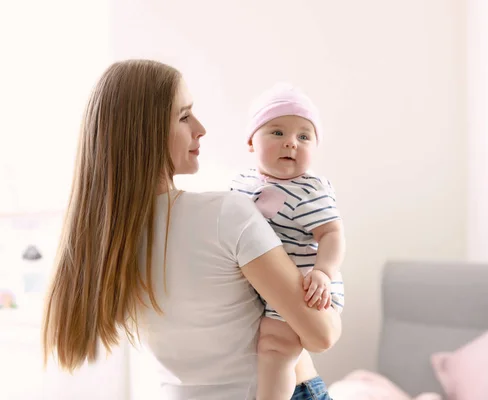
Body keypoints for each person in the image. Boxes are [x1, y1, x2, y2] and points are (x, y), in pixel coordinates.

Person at [41, 59, 342, 400]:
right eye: (184, 116)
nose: (200, 128)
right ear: (145, 131)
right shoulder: (227, 215)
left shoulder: (105, 239)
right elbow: (321, 335)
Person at [231, 83, 345, 399]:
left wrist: (323, 272)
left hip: (308, 284)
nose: (291, 143)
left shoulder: (310, 190)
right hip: (273, 286)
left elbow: (332, 234)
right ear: (251, 142)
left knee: (276, 345)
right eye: (278, 133)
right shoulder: (240, 183)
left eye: (304, 136)